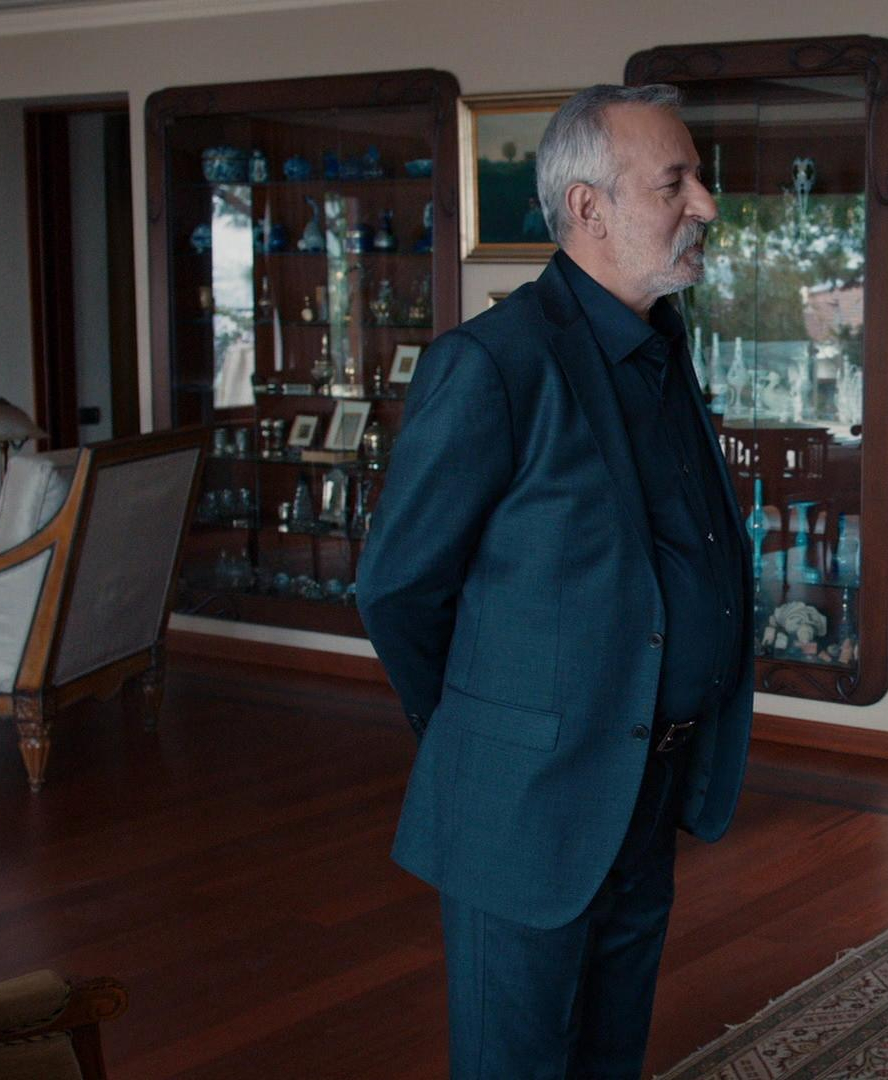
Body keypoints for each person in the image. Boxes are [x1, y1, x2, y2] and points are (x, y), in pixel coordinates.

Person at [356, 82, 749, 1079]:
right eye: (675, 182)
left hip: (646, 785)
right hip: (524, 806)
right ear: (588, 208)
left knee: (612, 1054)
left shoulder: (661, 347)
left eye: (698, 179)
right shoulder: (493, 364)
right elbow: (398, 589)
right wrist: (482, 731)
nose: (704, 203)